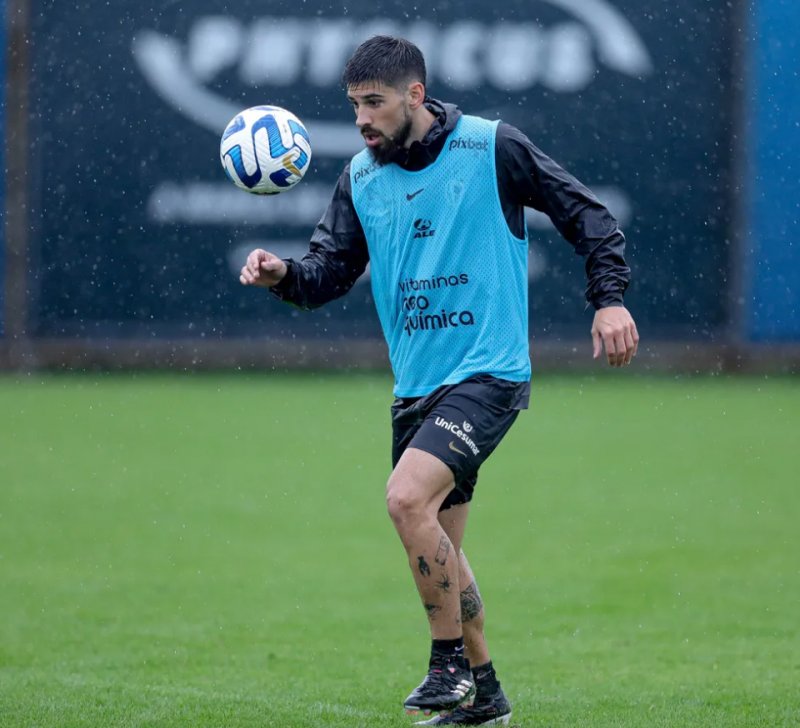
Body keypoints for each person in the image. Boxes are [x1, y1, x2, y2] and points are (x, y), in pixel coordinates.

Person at [240, 35, 639, 727]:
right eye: (353, 104)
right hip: (417, 388)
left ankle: (446, 663)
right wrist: (283, 276)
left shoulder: (492, 147)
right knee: (440, 543)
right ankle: (486, 695)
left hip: (489, 375)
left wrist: (609, 298)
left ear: (416, 96)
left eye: (374, 103)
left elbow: (591, 218)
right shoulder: (361, 179)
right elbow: (326, 275)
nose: (361, 118)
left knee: (403, 502)